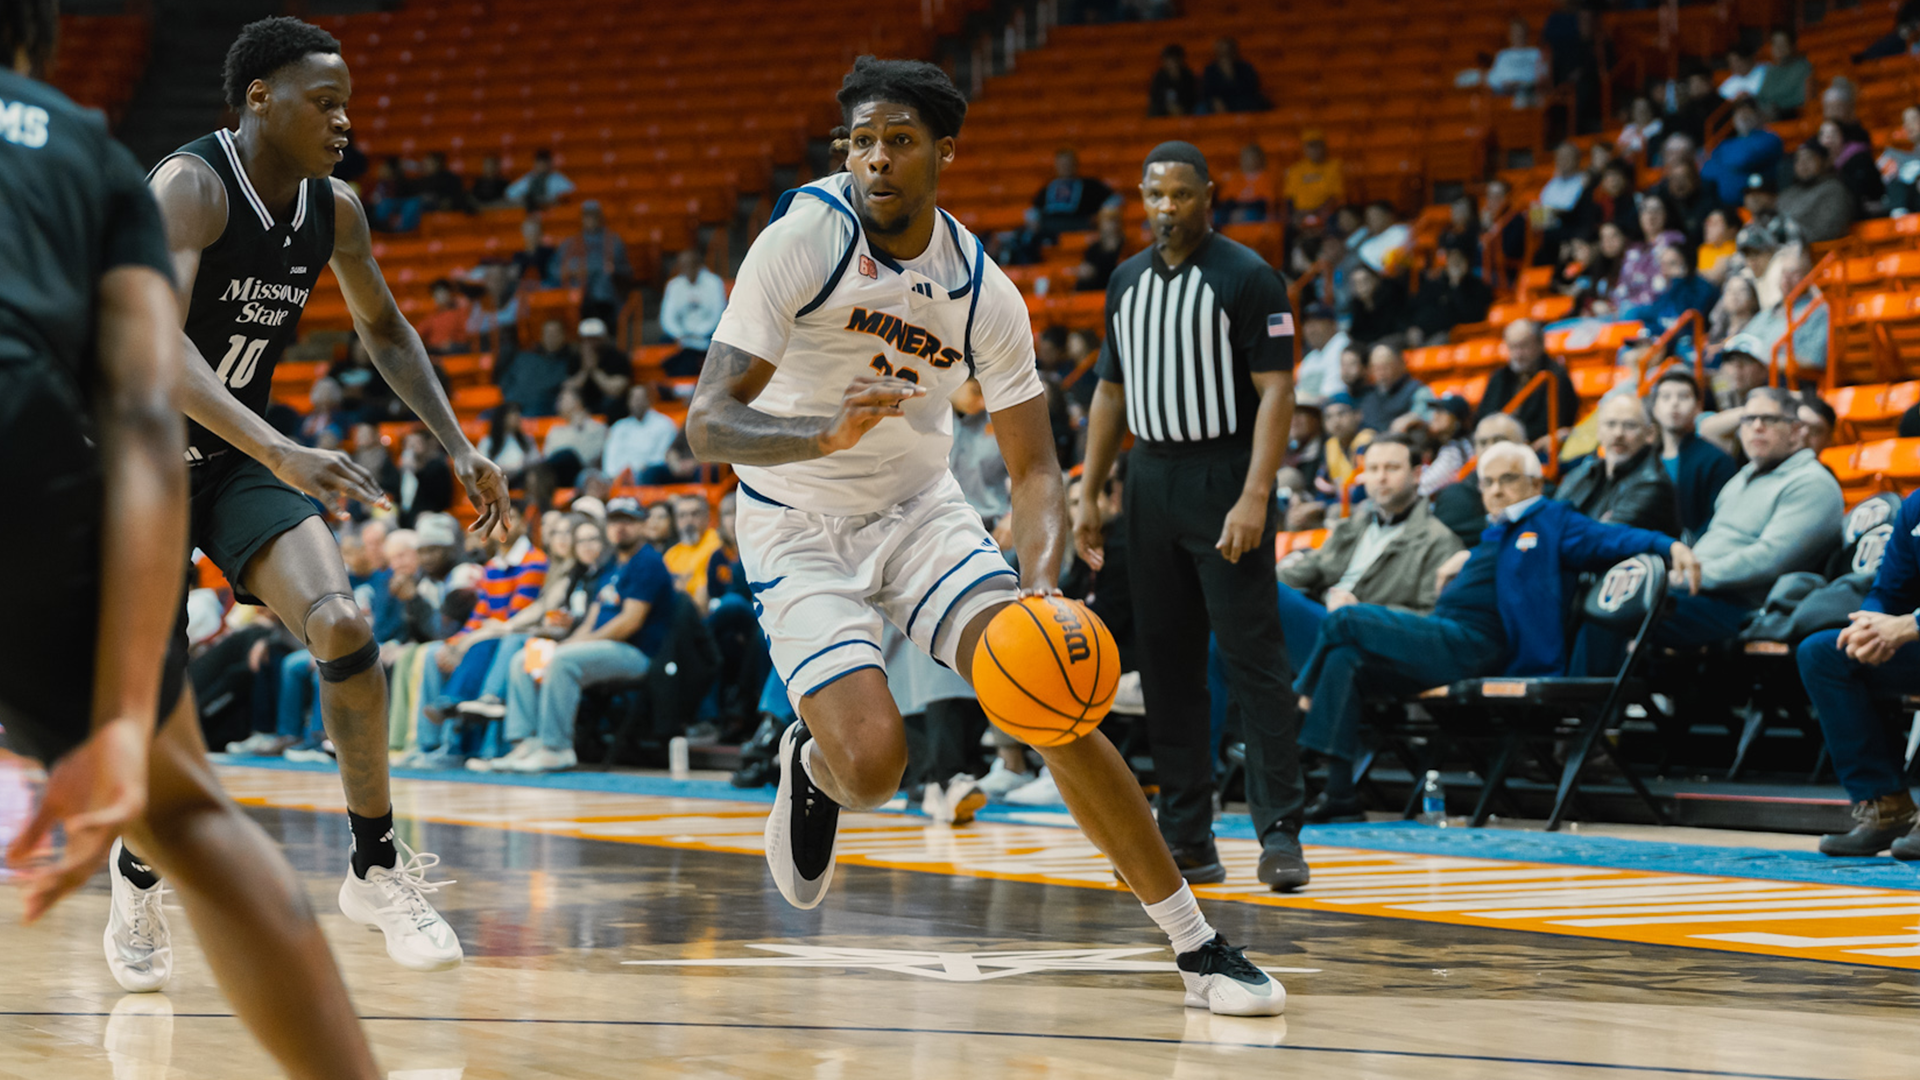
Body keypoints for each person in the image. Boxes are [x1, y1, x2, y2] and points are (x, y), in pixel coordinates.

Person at [690, 61, 1289, 1014]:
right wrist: (823, 432)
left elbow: (1038, 471)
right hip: (793, 519)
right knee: (876, 769)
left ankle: (1197, 944)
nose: (875, 158)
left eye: (899, 140)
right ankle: (812, 762)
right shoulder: (804, 238)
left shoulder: (981, 288)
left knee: (1050, 698)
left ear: (944, 152)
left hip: (922, 512)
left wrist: (1041, 585)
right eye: (860, 140)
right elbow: (709, 422)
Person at [0, 10, 381, 1073]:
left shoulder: (260, 198)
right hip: (32, 444)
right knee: (183, 808)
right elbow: (141, 413)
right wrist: (132, 706)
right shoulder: (90, 151)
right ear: (40, 41)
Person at [129, 16, 512, 979]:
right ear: (260, 98)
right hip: (131, 460)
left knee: (343, 622)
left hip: (232, 456)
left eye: (348, 103)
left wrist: (458, 443)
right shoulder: (190, 186)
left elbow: (383, 329)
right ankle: (139, 879)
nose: (344, 121)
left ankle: (375, 866)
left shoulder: (334, 210)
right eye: (325, 101)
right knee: (158, 695)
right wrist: (280, 445)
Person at [1078, 138, 1309, 898]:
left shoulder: (1247, 276)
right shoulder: (1125, 282)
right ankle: (1188, 839)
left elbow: (1277, 390)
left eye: (1181, 194)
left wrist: (1254, 493)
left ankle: (1280, 833)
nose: (1166, 208)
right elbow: (1110, 394)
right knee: (1169, 668)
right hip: (1149, 479)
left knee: (1253, 660)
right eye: (1155, 195)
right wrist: (1090, 490)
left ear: (1208, 195)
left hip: (1224, 473)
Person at [1296, 442, 1700, 821]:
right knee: (1346, 658)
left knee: (1346, 619)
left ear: (1534, 483)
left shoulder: (1551, 519)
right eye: (1487, 482)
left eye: (1507, 479)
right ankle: (1338, 795)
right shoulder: (1495, 532)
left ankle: (1300, 700)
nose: (1495, 490)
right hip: (1446, 636)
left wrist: (1668, 547)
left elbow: (1612, 538)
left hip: (1478, 644)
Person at [494, 497, 675, 773]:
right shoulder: (612, 565)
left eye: (628, 520)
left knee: (561, 660)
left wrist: (572, 647)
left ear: (642, 524)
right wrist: (568, 642)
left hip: (637, 653)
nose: (620, 527)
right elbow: (592, 618)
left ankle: (556, 748)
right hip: (601, 649)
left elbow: (629, 622)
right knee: (525, 658)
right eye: (615, 521)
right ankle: (525, 744)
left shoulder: (647, 562)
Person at [1798, 487, 1920, 859]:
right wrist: (1869, 624)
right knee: (1824, 652)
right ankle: (1886, 805)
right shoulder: (1916, 506)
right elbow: (1888, 589)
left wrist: (1911, 625)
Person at [1274, 435, 1464, 674]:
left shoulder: (1439, 540)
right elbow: (1313, 566)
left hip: (1365, 636)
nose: (1381, 477)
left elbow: (1431, 618)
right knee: (1250, 603)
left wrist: (1362, 611)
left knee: (1272, 600)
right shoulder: (1351, 527)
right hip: (1323, 619)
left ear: (1417, 475)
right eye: (1373, 469)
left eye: (1392, 468)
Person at [1553, 393, 1679, 535]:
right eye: (1611, 424)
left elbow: (1602, 539)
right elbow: (1551, 523)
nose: (1618, 433)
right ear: (1599, 432)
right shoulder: (1582, 473)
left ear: (1649, 434)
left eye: (1630, 425)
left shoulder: (1652, 483)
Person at [1649, 369, 1739, 540]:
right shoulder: (1644, 460)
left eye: (1683, 397)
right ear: (1654, 407)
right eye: (1666, 397)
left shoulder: (1717, 461)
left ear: (1698, 407)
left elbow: (1721, 520)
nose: (1674, 403)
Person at [1474, 319, 1578, 444]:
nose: (1518, 354)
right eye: (1512, 347)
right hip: (1500, 444)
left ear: (1540, 344)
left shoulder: (1555, 376)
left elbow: (1554, 423)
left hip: (1537, 448)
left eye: (1523, 346)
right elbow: (1485, 417)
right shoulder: (1499, 377)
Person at [557, 199, 632, 326]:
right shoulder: (569, 243)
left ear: (600, 217)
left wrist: (613, 269)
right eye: (587, 216)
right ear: (581, 218)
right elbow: (556, 270)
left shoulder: (614, 241)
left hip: (608, 297)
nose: (590, 219)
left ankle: (606, 328)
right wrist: (570, 271)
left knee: (602, 284)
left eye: (593, 215)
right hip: (578, 292)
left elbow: (627, 271)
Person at [658, 247, 727, 376]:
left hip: (708, 335)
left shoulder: (714, 282)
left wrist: (699, 333)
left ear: (698, 264)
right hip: (681, 336)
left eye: (690, 265)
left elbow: (718, 314)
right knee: (665, 344)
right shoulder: (674, 285)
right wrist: (679, 334)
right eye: (683, 266)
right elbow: (667, 318)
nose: (686, 269)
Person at [1408, 243, 1492, 343]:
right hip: (1421, 332)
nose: (1455, 264)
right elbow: (1419, 308)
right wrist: (1415, 326)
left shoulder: (1478, 286)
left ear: (1467, 262)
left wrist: (1456, 285)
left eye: (1459, 260)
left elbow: (1472, 316)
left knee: (1436, 343)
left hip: (1452, 335)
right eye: (1452, 260)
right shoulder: (1435, 284)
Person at [1779, 140, 1857, 243]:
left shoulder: (1834, 190)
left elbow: (1826, 233)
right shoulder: (1787, 194)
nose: (1803, 164)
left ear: (1826, 161)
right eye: (1798, 159)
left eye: (1809, 158)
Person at [602, 381, 679, 482]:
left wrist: (638, 471)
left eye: (641, 398)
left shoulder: (664, 424)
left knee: (650, 473)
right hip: (621, 477)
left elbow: (662, 456)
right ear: (628, 402)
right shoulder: (619, 427)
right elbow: (611, 455)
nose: (637, 402)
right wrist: (614, 475)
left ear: (649, 400)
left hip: (649, 474)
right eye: (634, 398)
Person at [500, 317, 573, 416]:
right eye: (547, 333)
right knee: (484, 416)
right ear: (542, 336)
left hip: (539, 409)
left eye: (554, 333)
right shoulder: (524, 357)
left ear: (563, 336)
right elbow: (506, 380)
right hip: (512, 406)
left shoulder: (569, 362)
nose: (550, 337)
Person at [562, 315, 632, 418]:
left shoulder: (617, 357)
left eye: (595, 338)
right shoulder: (575, 358)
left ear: (604, 338)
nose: (591, 343)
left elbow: (616, 390)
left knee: (613, 402)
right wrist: (585, 370)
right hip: (583, 405)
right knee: (567, 399)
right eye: (587, 339)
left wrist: (594, 370)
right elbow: (569, 387)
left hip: (610, 409)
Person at [1033, 147, 1115, 234]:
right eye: (1062, 163)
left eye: (1068, 163)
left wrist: (1102, 214)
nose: (1065, 167)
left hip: (1080, 226)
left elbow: (1114, 199)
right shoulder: (1048, 188)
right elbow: (1034, 210)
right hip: (1050, 227)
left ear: (1076, 163)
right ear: (1056, 165)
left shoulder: (1090, 185)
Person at [1356, 342, 1432, 433]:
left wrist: (1413, 418)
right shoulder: (1368, 397)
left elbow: (1428, 417)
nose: (1381, 372)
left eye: (1386, 366)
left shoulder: (1417, 390)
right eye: (1376, 368)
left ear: (1400, 364)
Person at [662, 493, 724, 605]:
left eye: (695, 514)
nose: (688, 520)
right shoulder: (671, 555)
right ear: (676, 521)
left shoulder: (718, 544)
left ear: (707, 517)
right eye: (682, 515)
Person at [542, 385, 607, 485]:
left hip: (581, 473)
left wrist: (579, 430)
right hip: (555, 474)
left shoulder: (596, 428)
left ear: (578, 401)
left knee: (567, 455)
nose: (558, 402)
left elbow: (588, 458)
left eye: (563, 398)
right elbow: (547, 456)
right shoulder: (555, 430)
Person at [1819, 118, 1885, 213]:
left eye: (1833, 133)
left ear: (1842, 135)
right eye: (1823, 134)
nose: (1829, 138)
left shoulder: (1859, 158)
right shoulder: (1819, 163)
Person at [1283, 128, 1344, 223]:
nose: (1314, 150)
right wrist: (1295, 216)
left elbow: (1336, 196)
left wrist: (1315, 213)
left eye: (1317, 145)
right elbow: (1290, 199)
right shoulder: (1295, 169)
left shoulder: (1334, 166)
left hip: (1325, 213)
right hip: (1301, 214)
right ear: (1304, 148)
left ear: (1324, 146)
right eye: (1310, 146)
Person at [1293, 302, 1349, 402]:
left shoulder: (1343, 346)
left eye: (1316, 324)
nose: (1311, 330)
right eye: (1307, 325)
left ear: (1332, 324)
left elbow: (1332, 394)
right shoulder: (1310, 358)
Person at [1488, 17, 1547, 105]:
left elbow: (1544, 74)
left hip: (1531, 92)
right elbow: (1493, 79)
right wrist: (1505, 84)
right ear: (1510, 35)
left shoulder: (1535, 53)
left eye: (1520, 32)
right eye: (1515, 32)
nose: (1518, 35)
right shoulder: (1503, 55)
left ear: (1526, 34)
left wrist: (1525, 84)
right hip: (1506, 94)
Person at [1756, 27, 1812, 119]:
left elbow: (1802, 99)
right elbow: (1761, 97)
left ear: (1792, 46)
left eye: (1782, 44)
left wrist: (1777, 105)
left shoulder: (1802, 67)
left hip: (1791, 113)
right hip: (1769, 113)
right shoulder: (1770, 70)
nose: (1779, 49)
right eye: (1775, 44)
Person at [1201, 36, 1265, 114]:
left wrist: (1231, 73)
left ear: (1233, 52)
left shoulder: (1245, 68)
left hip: (1242, 101)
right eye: (1222, 53)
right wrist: (1215, 100)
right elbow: (1208, 91)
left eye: (1227, 52)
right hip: (1221, 102)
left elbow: (1251, 88)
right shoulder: (1211, 70)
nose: (1225, 56)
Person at [1216, 142, 1273, 224]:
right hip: (1235, 209)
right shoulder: (1234, 178)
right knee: (1214, 216)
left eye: (1250, 157)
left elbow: (1266, 202)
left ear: (1259, 158)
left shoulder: (1267, 177)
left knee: (1248, 215)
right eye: (1244, 157)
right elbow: (1226, 200)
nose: (1246, 160)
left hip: (1257, 211)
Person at [505, 146, 574, 210]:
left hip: (550, 210)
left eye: (544, 162)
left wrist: (556, 198)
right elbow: (510, 193)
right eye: (539, 162)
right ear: (535, 163)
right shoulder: (529, 178)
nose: (542, 166)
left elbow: (570, 190)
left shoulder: (557, 178)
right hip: (531, 210)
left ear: (550, 163)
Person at [415, 277, 472, 354]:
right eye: (436, 293)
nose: (439, 296)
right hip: (434, 351)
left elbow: (466, 335)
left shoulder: (459, 313)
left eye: (443, 292)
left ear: (450, 293)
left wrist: (453, 343)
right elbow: (417, 333)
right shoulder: (432, 316)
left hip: (453, 351)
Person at [1852, 0, 1920, 63]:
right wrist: (1911, 30)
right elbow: (1901, 23)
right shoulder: (1911, 5)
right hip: (1909, 33)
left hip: (1914, 39)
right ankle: (1866, 55)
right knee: (1892, 42)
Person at [412, 150, 473, 214]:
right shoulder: (420, 181)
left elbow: (457, 196)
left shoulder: (450, 178)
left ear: (437, 163)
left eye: (428, 163)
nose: (425, 166)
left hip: (440, 205)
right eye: (424, 163)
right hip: (422, 207)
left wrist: (445, 202)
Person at [1147, 43, 1196, 117]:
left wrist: (1180, 108)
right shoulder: (1159, 76)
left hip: (1184, 108)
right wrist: (1168, 107)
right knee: (1153, 111)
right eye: (1168, 60)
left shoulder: (1187, 75)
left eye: (1174, 60)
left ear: (1180, 60)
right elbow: (1155, 97)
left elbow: (1192, 96)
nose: (1171, 63)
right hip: (1164, 110)